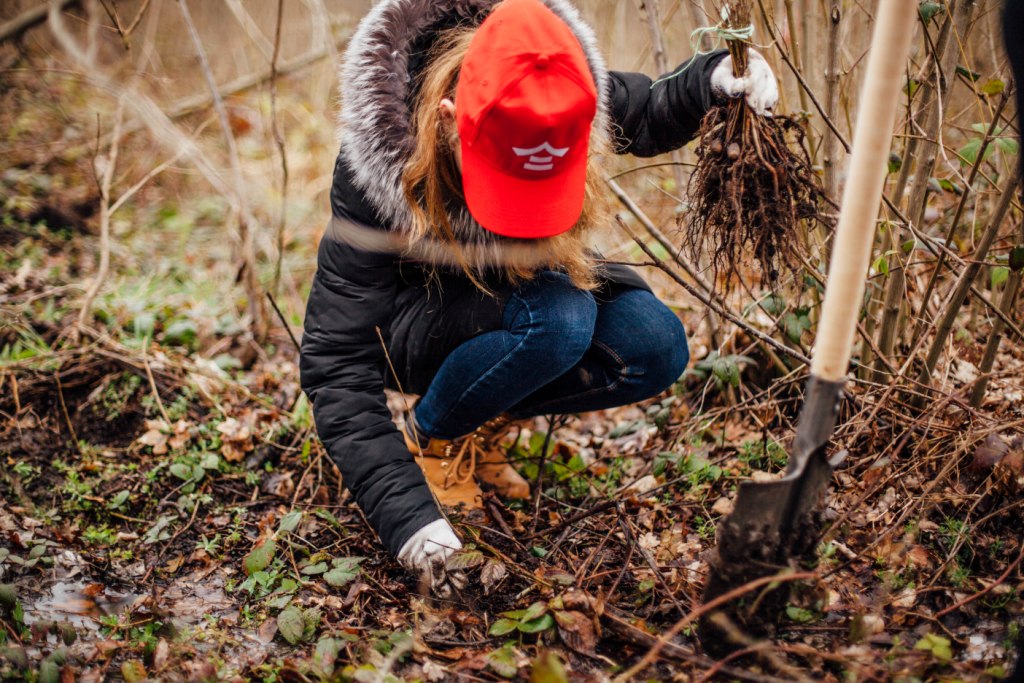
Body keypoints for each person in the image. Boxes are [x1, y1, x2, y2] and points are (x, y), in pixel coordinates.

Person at [300, 0, 778, 591]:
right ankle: (434, 436)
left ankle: (477, 415)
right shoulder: (377, 171)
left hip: (521, 302)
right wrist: (408, 519)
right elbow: (335, 362)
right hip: (417, 325)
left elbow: (649, 108)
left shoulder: (553, 85)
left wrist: (712, 81)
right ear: (450, 117)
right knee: (559, 316)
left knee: (654, 344)